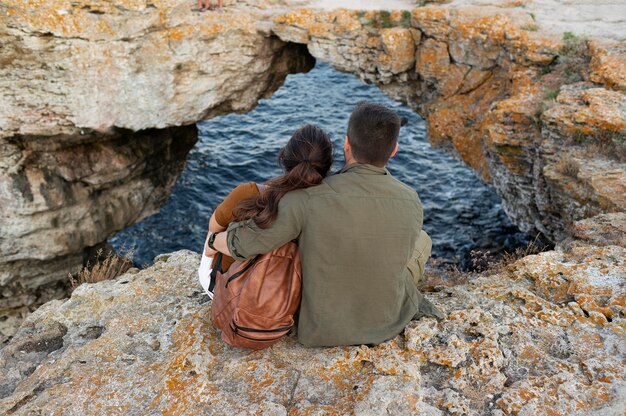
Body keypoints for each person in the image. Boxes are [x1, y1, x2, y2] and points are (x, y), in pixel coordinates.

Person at [208, 101, 444, 348]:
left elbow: (247, 243)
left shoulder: (307, 198)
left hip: (321, 330)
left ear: (346, 145)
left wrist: (215, 240)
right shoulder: (411, 200)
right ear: (394, 150)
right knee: (423, 239)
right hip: (388, 324)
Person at [203, 124, 334, 277]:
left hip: (234, 289)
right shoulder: (330, 207)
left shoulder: (248, 192)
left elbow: (213, 226)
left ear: (283, 157)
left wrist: (213, 242)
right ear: (329, 166)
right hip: (291, 293)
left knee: (214, 233)